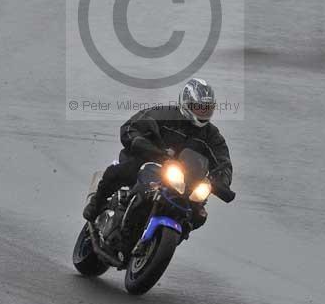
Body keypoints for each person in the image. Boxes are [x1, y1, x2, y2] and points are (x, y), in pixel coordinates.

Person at [83, 77, 234, 225]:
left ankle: (167, 237)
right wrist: (141, 144)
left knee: (198, 214)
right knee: (120, 171)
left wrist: (221, 181)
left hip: (184, 181)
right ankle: (97, 204)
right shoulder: (164, 115)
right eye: (199, 107)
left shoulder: (212, 136)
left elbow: (224, 163)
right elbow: (130, 127)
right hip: (150, 164)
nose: (203, 113)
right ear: (186, 104)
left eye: (207, 108)